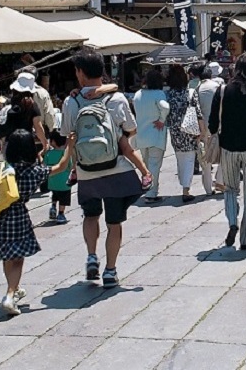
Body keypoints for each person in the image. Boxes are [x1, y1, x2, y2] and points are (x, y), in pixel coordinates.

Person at [60, 47, 147, 288]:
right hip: (116, 169)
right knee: (114, 223)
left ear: (79, 73)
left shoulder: (72, 101)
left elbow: (67, 133)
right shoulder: (116, 98)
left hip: (87, 171)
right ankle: (110, 270)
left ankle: (91, 256)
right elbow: (132, 129)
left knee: (90, 215)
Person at [0, 130, 75, 315]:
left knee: (6, 255)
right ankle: (10, 295)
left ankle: (14, 288)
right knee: (18, 258)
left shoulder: (2, 167)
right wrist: (70, 146)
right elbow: (61, 166)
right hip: (19, 217)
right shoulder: (34, 172)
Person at [209, 53, 246, 251]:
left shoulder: (223, 90)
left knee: (230, 189)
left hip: (228, 147)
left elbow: (212, 123)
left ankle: (233, 220)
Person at [165, 64, 207, 202]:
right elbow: (198, 113)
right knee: (189, 159)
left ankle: (184, 185)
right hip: (189, 129)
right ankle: (186, 190)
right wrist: (202, 130)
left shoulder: (168, 94)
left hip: (175, 131)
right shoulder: (190, 92)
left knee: (180, 159)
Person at [132, 69, 170, 204]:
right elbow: (165, 107)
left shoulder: (137, 94)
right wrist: (161, 119)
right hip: (155, 135)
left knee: (146, 164)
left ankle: (148, 189)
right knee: (154, 164)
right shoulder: (158, 94)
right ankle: (151, 193)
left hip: (141, 135)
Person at [197, 64, 224, 194]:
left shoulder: (197, 88)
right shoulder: (218, 87)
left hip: (202, 128)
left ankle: (208, 189)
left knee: (205, 158)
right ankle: (220, 180)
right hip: (219, 126)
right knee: (223, 154)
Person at [18, 68, 58, 133]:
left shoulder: (17, 92)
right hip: (39, 132)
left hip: (21, 132)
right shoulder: (43, 93)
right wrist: (51, 129)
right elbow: (49, 114)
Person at [44, 130, 72, 224]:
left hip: (52, 181)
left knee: (55, 194)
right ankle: (61, 214)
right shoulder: (65, 154)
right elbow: (70, 165)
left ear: (52, 142)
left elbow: (45, 164)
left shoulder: (49, 153)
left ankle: (53, 207)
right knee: (63, 198)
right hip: (64, 182)